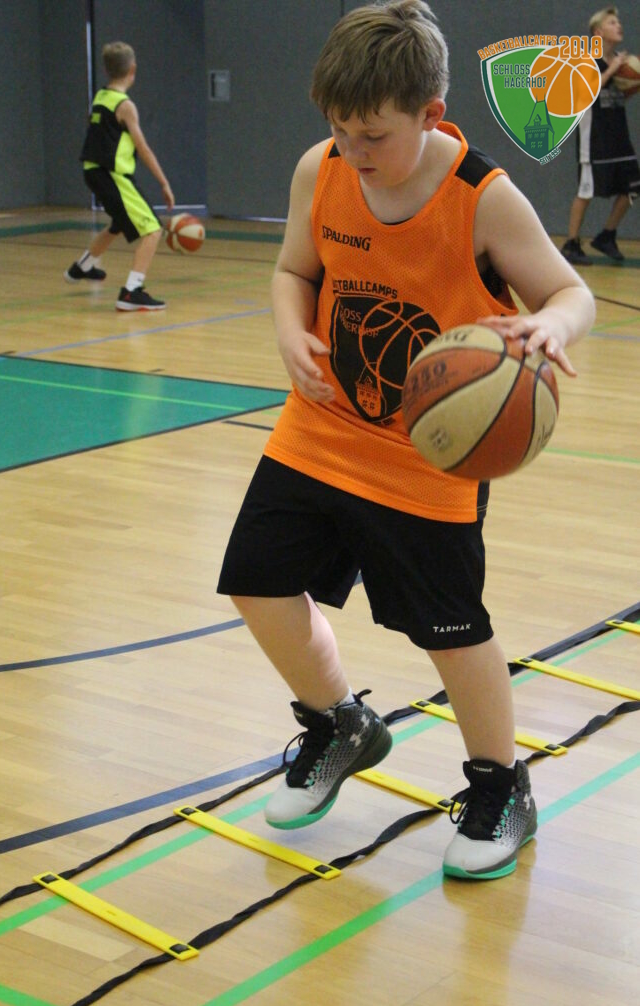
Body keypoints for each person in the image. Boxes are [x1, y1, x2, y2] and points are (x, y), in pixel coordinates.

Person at [218, 0, 595, 880]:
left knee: (451, 632)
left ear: (430, 114)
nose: (353, 150)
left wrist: (550, 328)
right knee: (257, 584)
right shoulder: (320, 169)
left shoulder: (481, 198)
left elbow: (569, 292)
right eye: (339, 129)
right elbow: (293, 269)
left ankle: (500, 786)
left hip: (430, 457)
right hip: (318, 427)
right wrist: (289, 331)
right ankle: (338, 724)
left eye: (373, 135)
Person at [65, 41, 174, 311]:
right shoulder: (125, 106)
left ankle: (82, 267)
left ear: (106, 70)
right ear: (133, 69)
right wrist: (164, 182)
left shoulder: (101, 96)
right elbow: (142, 148)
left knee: (119, 223)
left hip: (92, 171)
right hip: (111, 175)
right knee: (153, 229)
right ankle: (131, 292)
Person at [561, 6, 639, 265]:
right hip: (594, 139)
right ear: (598, 32)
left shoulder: (620, 62)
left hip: (618, 136)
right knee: (586, 191)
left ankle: (607, 235)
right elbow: (585, 94)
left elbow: (613, 97)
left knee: (633, 188)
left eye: (619, 22)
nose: (619, 26)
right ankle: (571, 243)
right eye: (612, 22)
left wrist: (630, 84)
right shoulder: (587, 60)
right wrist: (611, 70)